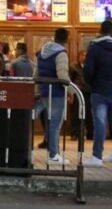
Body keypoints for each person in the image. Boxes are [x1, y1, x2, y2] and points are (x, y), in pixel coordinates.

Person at [82, 20, 112, 168]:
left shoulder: (94, 47)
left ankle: (97, 157)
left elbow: (88, 70)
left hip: (99, 90)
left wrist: (92, 83)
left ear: (100, 30)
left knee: (100, 123)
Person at [35, 28, 70, 163]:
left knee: (49, 122)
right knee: (55, 124)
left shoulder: (42, 52)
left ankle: (52, 153)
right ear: (66, 39)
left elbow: (36, 74)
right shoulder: (61, 54)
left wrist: (37, 91)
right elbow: (62, 76)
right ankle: (53, 155)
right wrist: (72, 91)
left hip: (44, 92)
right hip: (56, 94)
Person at [68, 50, 93, 140]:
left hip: (89, 92)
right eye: (82, 55)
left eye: (86, 55)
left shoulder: (90, 66)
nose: (84, 57)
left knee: (89, 114)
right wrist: (70, 94)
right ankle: (75, 134)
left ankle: (91, 133)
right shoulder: (73, 66)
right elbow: (70, 81)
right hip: (77, 92)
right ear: (79, 57)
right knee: (76, 114)